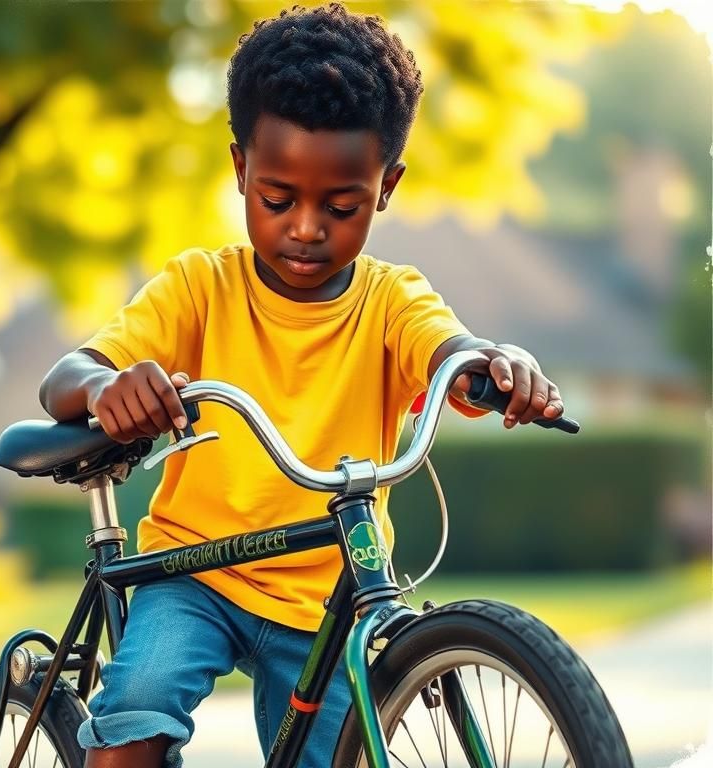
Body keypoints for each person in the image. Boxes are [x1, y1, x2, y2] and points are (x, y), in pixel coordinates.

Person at [38, 5, 564, 767]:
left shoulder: (392, 300)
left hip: (328, 597)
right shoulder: (199, 288)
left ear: (386, 186)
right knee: (136, 710)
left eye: (341, 206)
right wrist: (105, 387)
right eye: (278, 199)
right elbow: (65, 377)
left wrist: (497, 366)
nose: (308, 228)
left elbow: (451, 352)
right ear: (240, 170)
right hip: (195, 572)